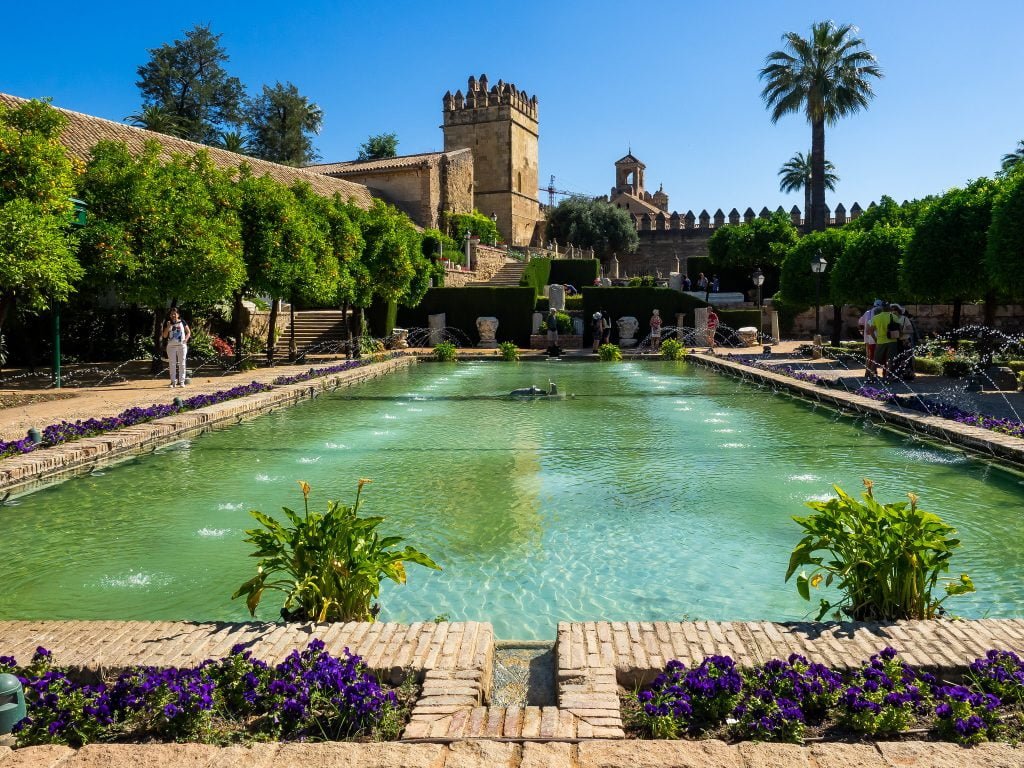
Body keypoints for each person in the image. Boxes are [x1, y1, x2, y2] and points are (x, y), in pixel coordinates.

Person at [161, 307, 191, 387]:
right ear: (170, 315)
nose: (173, 315)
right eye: (171, 314)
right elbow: (164, 335)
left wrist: (186, 339)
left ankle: (181, 381)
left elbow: (188, 332)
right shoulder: (168, 323)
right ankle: (173, 382)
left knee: (182, 363)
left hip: (181, 346)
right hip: (171, 346)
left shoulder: (182, 322)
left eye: (175, 313)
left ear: (178, 314)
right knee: (172, 364)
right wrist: (168, 327)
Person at [869, 301, 898, 380]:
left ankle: (871, 377)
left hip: (880, 341)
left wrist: (875, 339)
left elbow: (870, 330)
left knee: (875, 360)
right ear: (889, 308)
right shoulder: (894, 316)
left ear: (882, 308)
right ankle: (886, 377)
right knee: (890, 360)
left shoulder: (876, 317)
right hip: (892, 341)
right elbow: (899, 329)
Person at [858, 299, 884, 376]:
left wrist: (862, 332)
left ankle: (868, 372)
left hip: (867, 338)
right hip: (877, 339)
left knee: (869, 356)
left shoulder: (867, 313)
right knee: (874, 356)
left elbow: (860, 322)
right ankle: (872, 373)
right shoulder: (881, 313)